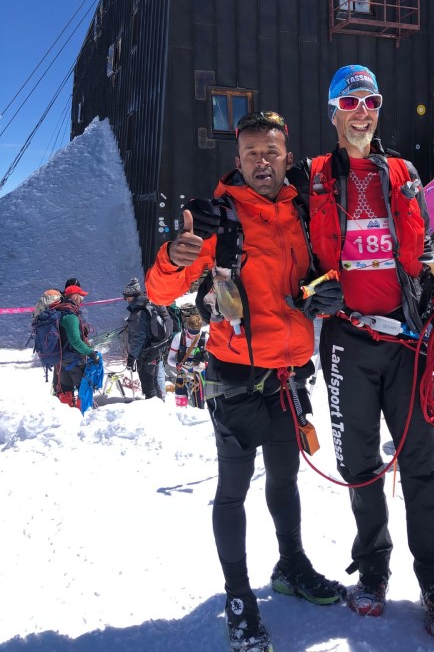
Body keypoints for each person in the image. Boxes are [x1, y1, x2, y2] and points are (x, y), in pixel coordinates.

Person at [146, 111, 345, 652]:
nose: (262, 161)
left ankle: (291, 565)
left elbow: (317, 275)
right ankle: (239, 599)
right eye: (252, 153)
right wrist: (173, 256)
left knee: (285, 480)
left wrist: (325, 292)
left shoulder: (301, 213)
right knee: (233, 492)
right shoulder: (218, 220)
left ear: (287, 157)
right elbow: (160, 292)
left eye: (271, 152)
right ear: (238, 160)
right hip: (234, 377)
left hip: (288, 375)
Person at [288, 65, 434, 640]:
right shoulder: (312, 176)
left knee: (423, 469)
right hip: (348, 341)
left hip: (407, 341)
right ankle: (373, 570)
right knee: (359, 467)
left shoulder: (404, 173)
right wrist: (310, 293)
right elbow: (290, 253)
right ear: (333, 112)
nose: (362, 111)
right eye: (350, 101)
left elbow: (426, 247)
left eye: (371, 100)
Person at [54, 284, 99, 407]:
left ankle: (66, 413)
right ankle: (86, 413)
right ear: (74, 296)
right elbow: (75, 342)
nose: (81, 300)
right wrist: (90, 353)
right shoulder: (70, 316)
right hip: (73, 359)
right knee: (84, 390)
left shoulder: (60, 311)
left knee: (66, 391)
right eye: (81, 297)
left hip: (62, 359)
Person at [123, 277, 165, 401]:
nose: (126, 300)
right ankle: (161, 406)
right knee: (154, 382)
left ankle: (153, 408)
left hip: (145, 353)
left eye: (126, 297)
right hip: (154, 350)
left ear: (131, 297)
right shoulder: (147, 306)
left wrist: (132, 357)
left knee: (148, 386)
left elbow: (138, 338)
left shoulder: (138, 313)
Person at [167, 312, 207, 408]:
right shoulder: (179, 337)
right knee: (180, 404)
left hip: (199, 373)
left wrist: (204, 364)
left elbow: (213, 358)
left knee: (200, 405)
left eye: (196, 333)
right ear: (187, 327)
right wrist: (177, 364)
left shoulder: (205, 337)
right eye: (190, 332)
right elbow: (170, 359)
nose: (192, 336)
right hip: (183, 373)